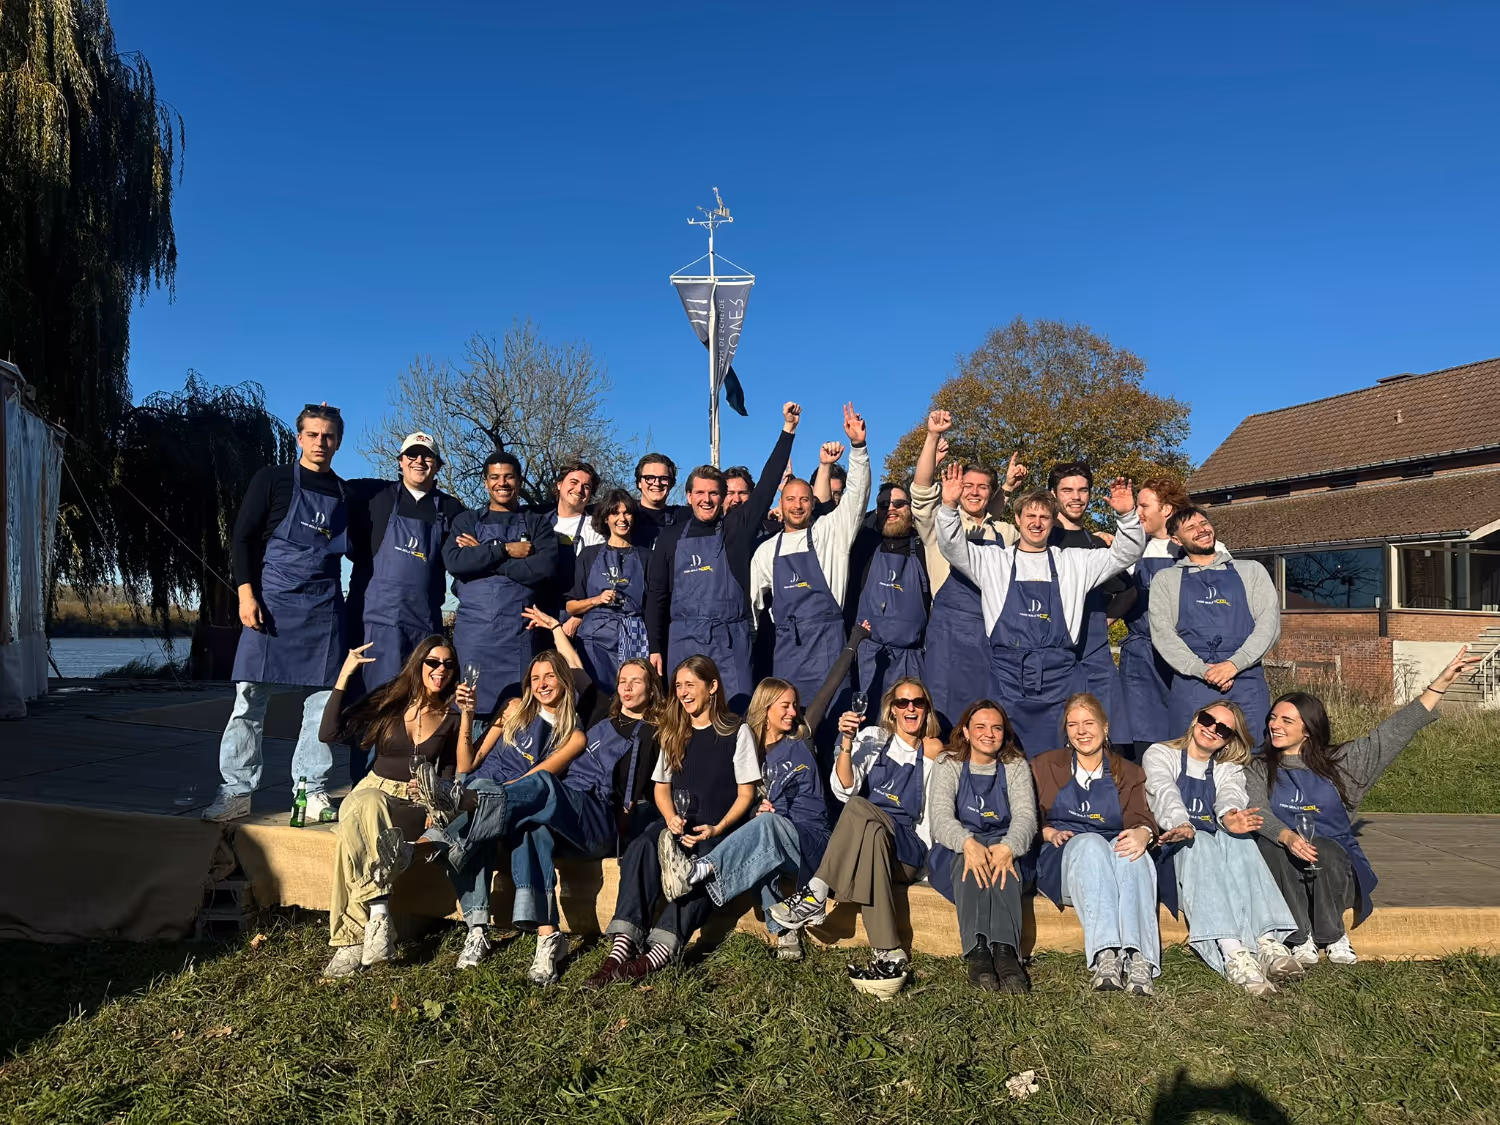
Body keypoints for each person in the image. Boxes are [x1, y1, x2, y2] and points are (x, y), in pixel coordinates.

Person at [1245, 646, 1479, 966]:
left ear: (1309, 729)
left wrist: (1441, 682)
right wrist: (1287, 837)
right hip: (1285, 870)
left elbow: (1395, 731)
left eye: (1287, 720)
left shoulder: (1343, 763)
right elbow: (1258, 812)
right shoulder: (1258, 768)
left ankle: (1332, 934)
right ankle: (1300, 937)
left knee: (1323, 848)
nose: (1275, 725)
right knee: (1269, 843)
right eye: (1273, 718)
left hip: (1335, 869)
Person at [664, 625, 866, 961]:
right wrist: (756, 807)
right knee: (761, 845)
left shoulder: (802, 736)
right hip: (775, 842)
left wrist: (855, 639)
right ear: (766, 708)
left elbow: (831, 685)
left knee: (767, 830)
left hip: (813, 840)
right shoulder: (748, 750)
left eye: (794, 705)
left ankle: (700, 871)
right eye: (785, 706)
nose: (792, 712)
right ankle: (785, 934)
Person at [202, 403, 349, 823]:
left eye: (329, 436)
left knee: (323, 705)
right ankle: (236, 791)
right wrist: (246, 596)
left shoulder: (344, 492)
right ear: (299, 437)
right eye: (314, 435)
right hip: (272, 604)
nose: (321, 443)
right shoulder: (272, 479)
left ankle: (312, 790)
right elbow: (243, 538)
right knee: (248, 701)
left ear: (338, 441)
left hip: (323, 610)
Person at [936, 468, 1145, 758]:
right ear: (1018, 520)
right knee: (1006, 759)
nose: (1037, 524)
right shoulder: (992, 561)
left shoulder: (1075, 563)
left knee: (1060, 763)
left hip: (1060, 681)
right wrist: (947, 506)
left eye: (1044, 517)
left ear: (1052, 521)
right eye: (1030, 517)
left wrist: (1127, 515)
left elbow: (1127, 553)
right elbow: (951, 546)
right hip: (1006, 680)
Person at [431, 612, 592, 978]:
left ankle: (435, 842)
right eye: (535, 678)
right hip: (474, 789)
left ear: (565, 681)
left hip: (505, 800)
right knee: (476, 808)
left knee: (476, 817)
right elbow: (468, 763)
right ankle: (476, 929)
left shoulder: (573, 736)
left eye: (550, 676)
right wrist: (468, 717)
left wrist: (554, 628)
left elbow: (535, 780)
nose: (541, 683)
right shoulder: (514, 710)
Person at [585, 655, 758, 986]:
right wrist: (670, 818)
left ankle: (657, 954)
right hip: (677, 823)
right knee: (641, 849)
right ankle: (623, 945)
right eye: (678, 685)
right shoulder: (674, 731)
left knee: (702, 868)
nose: (682, 692)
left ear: (712, 687)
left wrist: (719, 828)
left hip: (716, 828)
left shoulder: (738, 731)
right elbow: (661, 789)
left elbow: (746, 794)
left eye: (690, 685)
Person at [770, 676, 945, 993]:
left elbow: (933, 813)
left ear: (926, 709)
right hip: (873, 841)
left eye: (918, 702)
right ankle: (888, 950)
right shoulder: (874, 738)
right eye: (902, 702)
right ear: (891, 710)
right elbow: (843, 788)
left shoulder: (932, 749)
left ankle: (817, 892)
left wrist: (927, 868)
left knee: (859, 808)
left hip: (907, 849)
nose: (910, 708)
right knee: (869, 826)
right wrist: (847, 743)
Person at [317, 636, 471, 977]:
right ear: (419, 664)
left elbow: (451, 771)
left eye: (448, 664)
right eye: (433, 662)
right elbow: (329, 732)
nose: (440, 670)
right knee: (365, 804)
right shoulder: (390, 699)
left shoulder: (451, 716)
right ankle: (379, 916)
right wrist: (345, 675)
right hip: (374, 791)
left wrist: (436, 800)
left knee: (351, 831)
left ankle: (352, 939)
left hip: (414, 802)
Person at [646, 403, 800, 712]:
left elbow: (768, 486)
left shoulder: (736, 528)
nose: (707, 499)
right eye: (700, 493)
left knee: (737, 715)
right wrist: (655, 647)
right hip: (684, 641)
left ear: (723, 496)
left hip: (730, 641)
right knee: (684, 719)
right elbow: (657, 596)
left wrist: (788, 431)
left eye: (714, 493)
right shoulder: (670, 538)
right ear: (688, 496)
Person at [1143, 702, 1301, 996]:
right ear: (1194, 720)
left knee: (1237, 837)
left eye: (1223, 729)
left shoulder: (1227, 769)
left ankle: (1267, 942)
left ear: (1230, 739)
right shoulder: (1160, 754)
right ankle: (1233, 952)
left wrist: (1230, 816)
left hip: (1217, 858)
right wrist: (1181, 822)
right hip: (1173, 850)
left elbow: (1229, 795)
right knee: (1200, 839)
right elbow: (1164, 789)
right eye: (1207, 719)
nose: (1212, 729)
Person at [1032, 694, 1160, 995]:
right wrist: (1046, 831)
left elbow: (1142, 817)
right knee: (1091, 843)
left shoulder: (1130, 772)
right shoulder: (1044, 765)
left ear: (1105, 727)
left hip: (1114, 861)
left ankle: (1139, 958)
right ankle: (1107, 955)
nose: (1081, 731)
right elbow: (1023, 816)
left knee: (1133, 853)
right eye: (1073, 724)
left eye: (1089, 723)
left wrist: (1144, 832)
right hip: (1065, 859)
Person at [750, 404, 872, 705]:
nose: (797, 505)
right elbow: (752, 610)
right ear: (781, 502)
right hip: (787, 658)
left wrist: (858, 447)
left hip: (830, 653)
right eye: (790, 499)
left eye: (804, 498)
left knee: (834, 732)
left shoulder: (830, 533)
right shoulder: (766, 552)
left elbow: (857, 496)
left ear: (812, 503)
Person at [910, 410, 1024, 731]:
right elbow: (920, 490)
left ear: (992, 493)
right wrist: (932, 437)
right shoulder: (938, 525)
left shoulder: (1006, 533)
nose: (974, 492)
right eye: (968, 485)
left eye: (983, 487)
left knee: (990, 724)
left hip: (992, 643)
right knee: (945, 727)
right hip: (947, 644)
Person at [343, 431, 466, 714]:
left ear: (437, 465)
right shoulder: (371, 496)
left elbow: (463, 561)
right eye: (412, 454)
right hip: (371, 625)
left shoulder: (452, 509)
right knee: (367, 709)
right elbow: (322, 483)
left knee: (412, 710)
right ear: (400, 461)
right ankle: (364, 760)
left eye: (427, 456)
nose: (419, 461)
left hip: (423, 627)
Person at [925, 700, 1037, 992]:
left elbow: (1026, 816)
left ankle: (1005, 950)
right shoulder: (948, 763)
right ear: (965, 731)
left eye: (996, 728)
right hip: (957, 846)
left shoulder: (1014, 765)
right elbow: (940, 816)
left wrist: (1010, 846)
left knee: (1005, 866)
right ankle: (978, 950)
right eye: (981, 727)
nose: (989, 734)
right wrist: (966, 842)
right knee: (967, 864)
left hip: (1003, 842)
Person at [444, 451, 559, 717]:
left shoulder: (536, 523)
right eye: (495, 477)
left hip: (518, 635)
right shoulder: (467, 521)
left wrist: (483, 556)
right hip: (474, 636)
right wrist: (505, 549)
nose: (502, 483)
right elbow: (456, 562)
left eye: (509, 477)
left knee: (518, 713)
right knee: (468, 711)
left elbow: (542, 569)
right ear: (485, 482)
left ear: (519, 481)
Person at [1149, 505, 1278, 742]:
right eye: (1191, 528)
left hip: (1245, 679)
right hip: (1193, 682)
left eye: (1203, 524)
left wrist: (1233, 664)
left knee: (1253, 753)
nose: (1201, 530)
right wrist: (1203, 670)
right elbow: (1162, 634)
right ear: (1177, 540)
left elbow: (1269, 625)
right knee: (1189, 754)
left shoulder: (1252, 571)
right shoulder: (1166, 579)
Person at [1049, 462, 1133, 748]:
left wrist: (1103, 621)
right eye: (1068, 490)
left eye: (1083, 490)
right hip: (1052, 655)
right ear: (1053, 493)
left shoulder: (1097, 544)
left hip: (1094, 657)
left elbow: (1128, 591)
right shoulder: (1040, 541)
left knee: (1104, 735)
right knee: (1057, 736)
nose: (1076, 497)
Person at [1117, 477, 1188, 758]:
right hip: (1141, 661)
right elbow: (1122, 599)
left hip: (1185, 656)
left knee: (1184, 734)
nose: (1138, 513)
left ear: (1167, 509)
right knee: (1141, 738)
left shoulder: (1200, 547)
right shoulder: (1134, 549)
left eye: (1144, 505)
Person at [849, 482, 930, 709]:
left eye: (899, 503)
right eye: (884, 504)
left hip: (911, 663)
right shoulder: (863, 546)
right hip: (868, 661)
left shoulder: (925, 548)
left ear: (912, 508)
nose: (891, 508)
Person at [566, 489, 651, 688]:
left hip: (635, 635)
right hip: (594, 641)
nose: (622, 519)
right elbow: (571, 606)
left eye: (627, 513)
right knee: (598, 700)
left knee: (634, 695)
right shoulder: (588, 555)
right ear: (605, 518)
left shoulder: (648, 557)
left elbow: (654, 605)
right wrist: (596, 600)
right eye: (615, 513)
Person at [545, 460, 604, 628]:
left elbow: (599, 581)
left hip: (574, 617)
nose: (579, 489)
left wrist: (579, 617)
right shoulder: (540, 523)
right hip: (541, 609)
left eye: (586, 486)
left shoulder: (595, 529)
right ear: (559, 485)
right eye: (574, 482)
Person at [631, 453, 681, 550]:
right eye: (649, 478)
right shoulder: (625, 517)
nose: (657, 483)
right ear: (639, 483)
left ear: (672, 484)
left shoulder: (683, 518)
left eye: (664, 479)